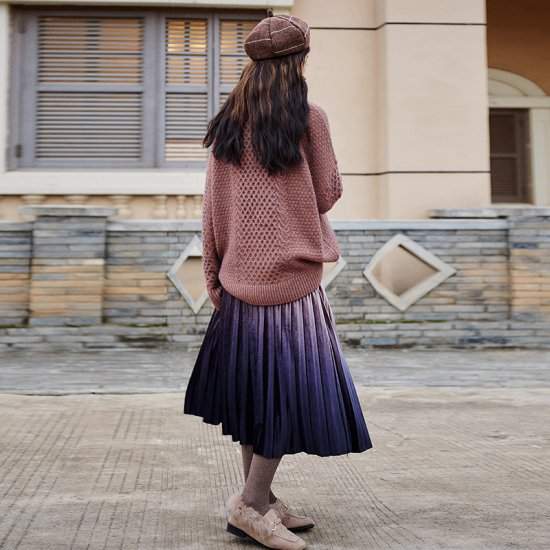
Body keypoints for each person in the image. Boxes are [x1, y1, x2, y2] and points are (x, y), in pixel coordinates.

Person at [183, 12, 372, 549]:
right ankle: (249, 505)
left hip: (239, 282)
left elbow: (212, 207)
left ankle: (261, 501)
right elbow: (327, 194)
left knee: (254, 396)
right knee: (283, 398)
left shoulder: (227, 123)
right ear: (300, 59)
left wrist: (213, 272)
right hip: (293, 287)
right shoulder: (309, 118)